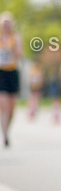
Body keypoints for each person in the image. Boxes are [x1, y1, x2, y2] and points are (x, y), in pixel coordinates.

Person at [0, 13, 23, 147]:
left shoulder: (16, 38)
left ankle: (7, 129)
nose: (6, 26)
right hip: (1, 73)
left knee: (11, 108)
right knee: (3, 105)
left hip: (12, 72)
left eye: (8, 23)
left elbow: (20, 55)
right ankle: (5, 135)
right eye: (4, 23)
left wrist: (11, 49)